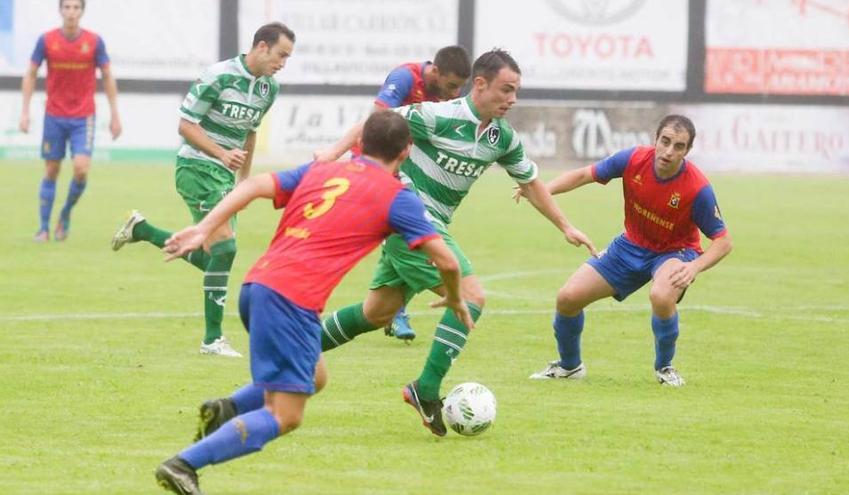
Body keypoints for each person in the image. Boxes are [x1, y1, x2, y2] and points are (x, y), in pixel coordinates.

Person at [154, 110, 471, 495]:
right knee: (285, 415)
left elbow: (254, 184)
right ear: (406, 152)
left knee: (315, 375)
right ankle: (185, 464)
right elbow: (447, 261)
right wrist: (454, 296)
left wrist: (204, 227)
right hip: (290, 299)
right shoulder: (396, 196)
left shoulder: (322, 170)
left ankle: (228, 409)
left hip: (257, 286)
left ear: (360, 143)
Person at [308, 49, 596, 436]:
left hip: (428, 225)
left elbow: (529, 182)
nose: (512, 99)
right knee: (473, 297)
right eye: (506, 90)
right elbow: (377, 123)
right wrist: (332, 152)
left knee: (379, 312)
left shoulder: (501, 137)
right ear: (480, 84)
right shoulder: (438, 115)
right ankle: (424, 390)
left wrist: (565, 225)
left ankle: (297, 347)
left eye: (516, 92)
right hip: (408, 220)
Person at [109, 22, 294, 357]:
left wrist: (245, 184)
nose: (283, 63)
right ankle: (212, 340)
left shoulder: (269, 89)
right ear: (263, 46)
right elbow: (185, 125)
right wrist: (222, 153)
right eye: (281, 55)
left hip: (224, 177)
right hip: (196, 167)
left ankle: (143, 229)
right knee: (225, 249)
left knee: (214, 255)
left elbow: (250, 133)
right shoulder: (218, 76)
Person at [522, 115, 733, 386]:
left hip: (675, 252)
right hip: (630, 245)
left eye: (678, 146)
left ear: (687, 151)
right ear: (655, 139)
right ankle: (569, 366)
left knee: (661, 295)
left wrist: (693, 267)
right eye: (665, 141)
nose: (669, 151)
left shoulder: (697, 188)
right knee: (568, 298)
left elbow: (723, 241)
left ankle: (665, 368)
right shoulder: (633, 160)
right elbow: (585, 174)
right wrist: (543, 190)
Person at [370, 45, 471, 342]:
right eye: (451, 86)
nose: (454, 94)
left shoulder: (446, 96)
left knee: (405, 230)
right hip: (381, 162)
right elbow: (378, 118)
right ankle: (396, 309)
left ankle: (393, 308)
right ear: (435, 72)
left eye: (459, 88)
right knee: (408, 229)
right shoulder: (404, 77)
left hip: (410, 165)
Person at [20, 0, 122, 242]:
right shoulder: (46, 40)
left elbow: (107, 76)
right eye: (67, 7)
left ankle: (64, 215)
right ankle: (44, 228)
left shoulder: (94, 42)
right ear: (60, 10)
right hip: (54, 115)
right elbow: (31, 73)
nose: (71, 12)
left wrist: (115, 114)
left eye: (76, 8)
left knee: (80, 168)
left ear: (82, 11)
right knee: (52, 169)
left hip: (83, 117)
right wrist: (24, 111)